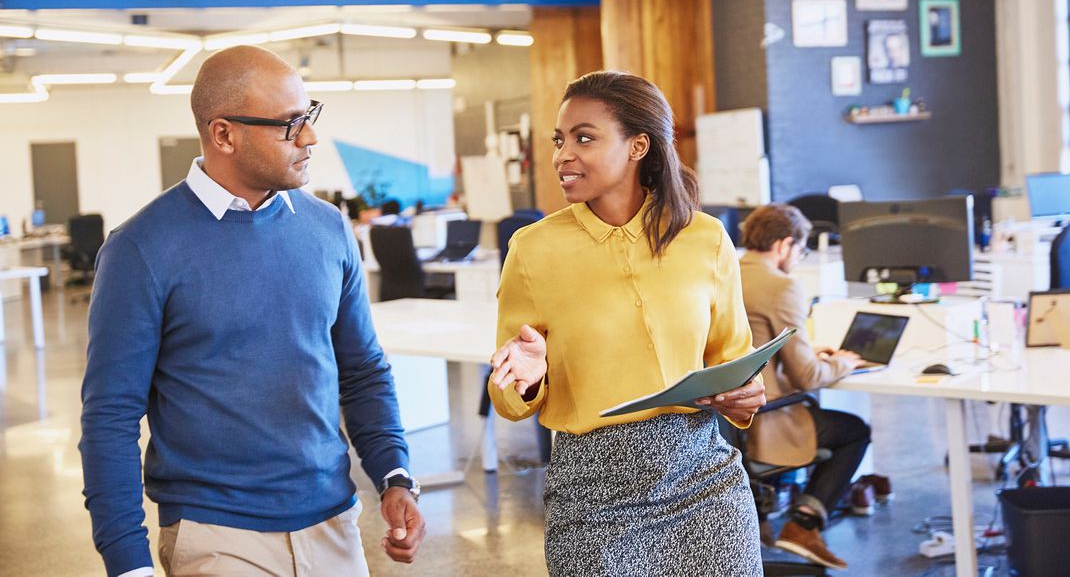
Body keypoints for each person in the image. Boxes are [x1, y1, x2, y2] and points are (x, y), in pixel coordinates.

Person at [79, 45, 425, 577]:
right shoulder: (140, 249)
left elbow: (363, 370)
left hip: (333, 523)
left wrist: (394, 475)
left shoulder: (328, 228)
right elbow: (111, 417)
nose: (309, 138)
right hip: (217, 534)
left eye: (308, 116)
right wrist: (128, 563)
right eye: (290, 125)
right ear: (223, 134)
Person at [487, 70, 766, 576]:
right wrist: (523, 382)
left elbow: (734, 360)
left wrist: (745, 394)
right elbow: (508, 396)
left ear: (639, 145)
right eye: (559, 140)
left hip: (706, 479)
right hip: (593, 491)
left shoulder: (704, 237)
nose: (562, 155)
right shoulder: (534, 249)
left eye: (584, 137)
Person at [738, 203, 874, 571]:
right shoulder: (780, 286)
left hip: (724, 419)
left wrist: (809, 352)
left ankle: (769, 520)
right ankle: (804, 524)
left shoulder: (726, 273)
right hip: (765, 419)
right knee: (855, 431)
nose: (798, 258)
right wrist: (844, 362)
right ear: (784, 245)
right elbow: (807, 378)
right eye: (800, 250)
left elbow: (752, 344)